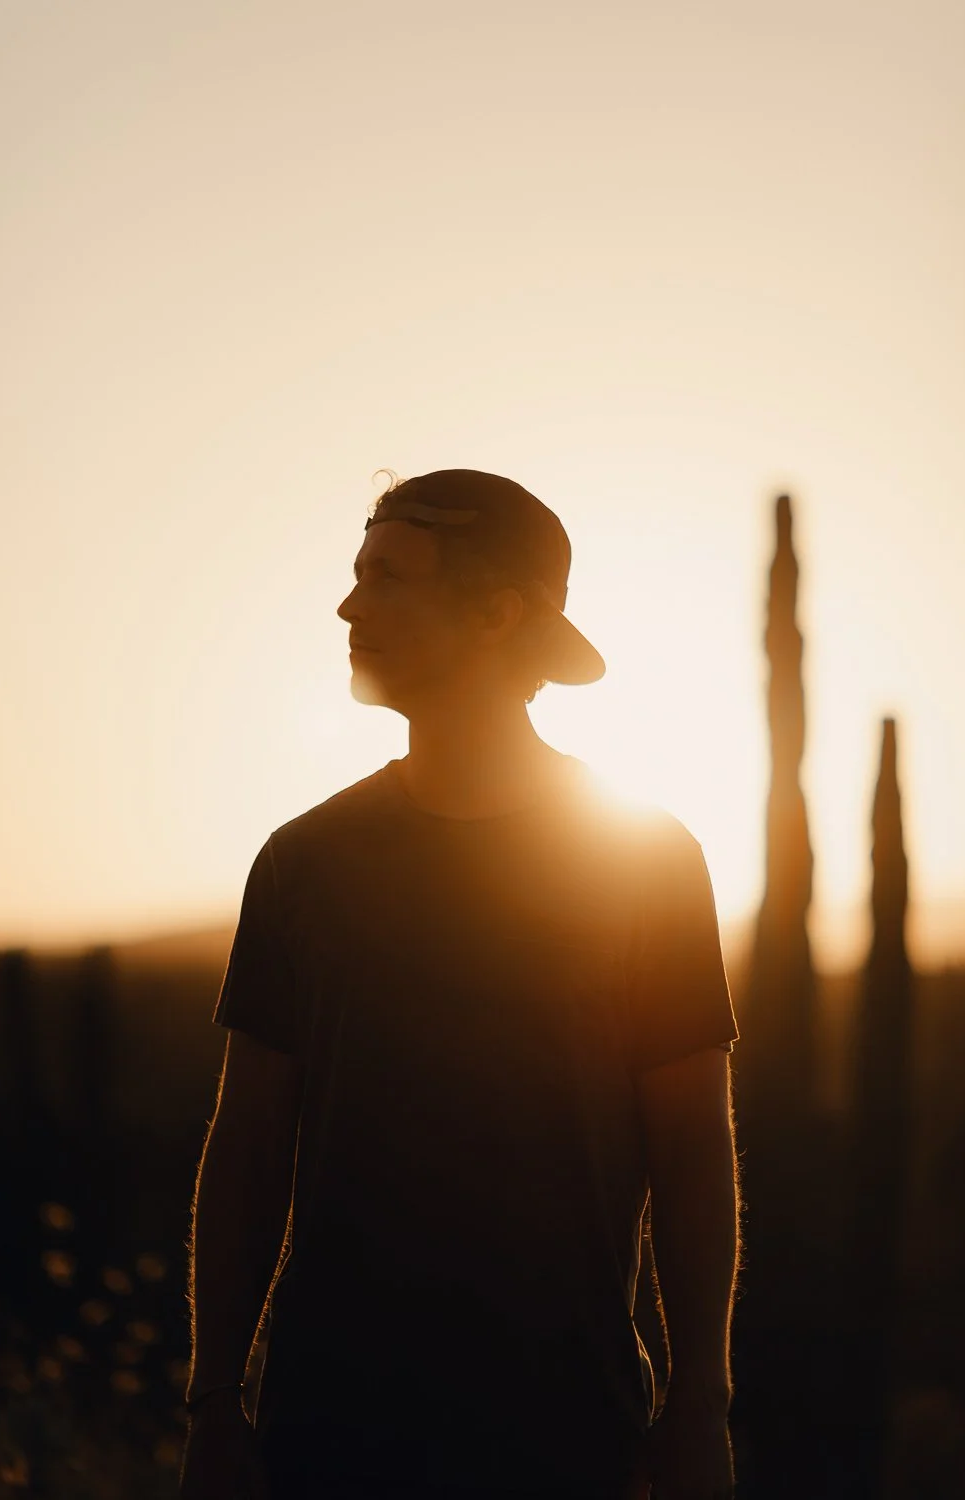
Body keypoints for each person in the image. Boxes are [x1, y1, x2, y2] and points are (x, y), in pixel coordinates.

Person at [179, 468, 740, 1500]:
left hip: (568, 1432)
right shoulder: (303, 862)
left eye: (386, 577)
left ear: (494, 613)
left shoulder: (644, 861)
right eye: (355, 576)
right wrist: (215, 1402)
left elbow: (691, 1152)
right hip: (329, 1435)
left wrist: (698, 1401)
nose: (348, 607)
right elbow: (248, 1147)